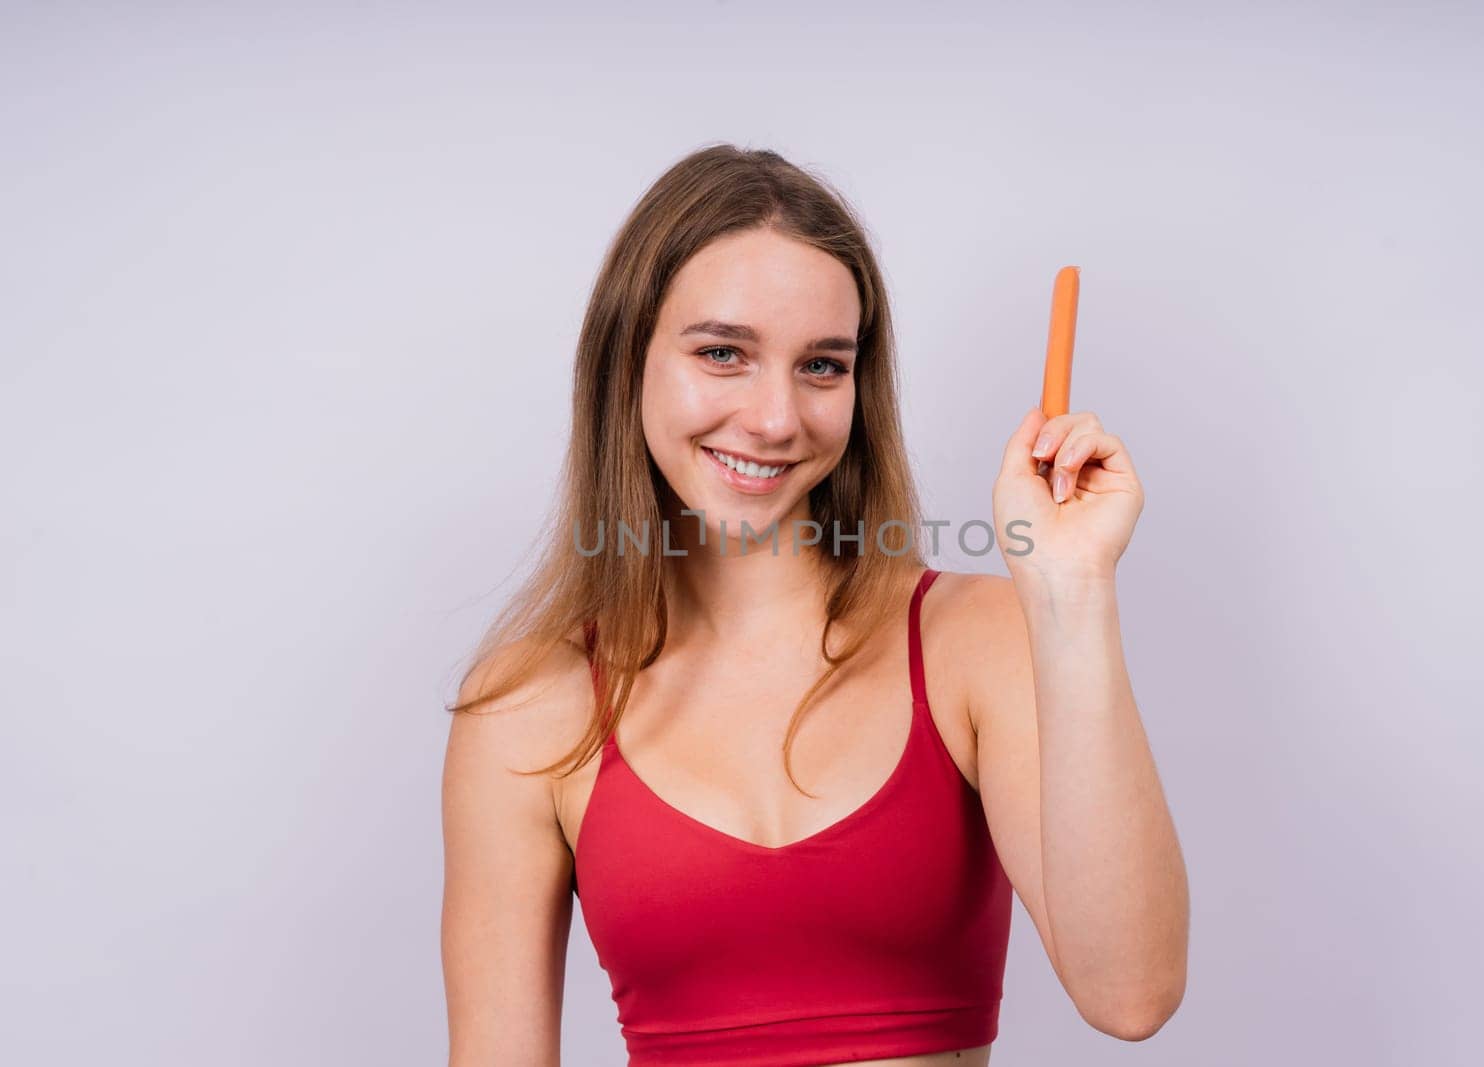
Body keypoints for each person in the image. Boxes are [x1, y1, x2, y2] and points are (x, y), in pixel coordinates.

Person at [440, 143, 1189, 1066]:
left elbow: (1132, 993)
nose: (775, 418)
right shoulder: (526, 707)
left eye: (822, 366)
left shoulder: (971, 639)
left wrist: (1071, 593)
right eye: (723, 353)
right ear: (627, 360)